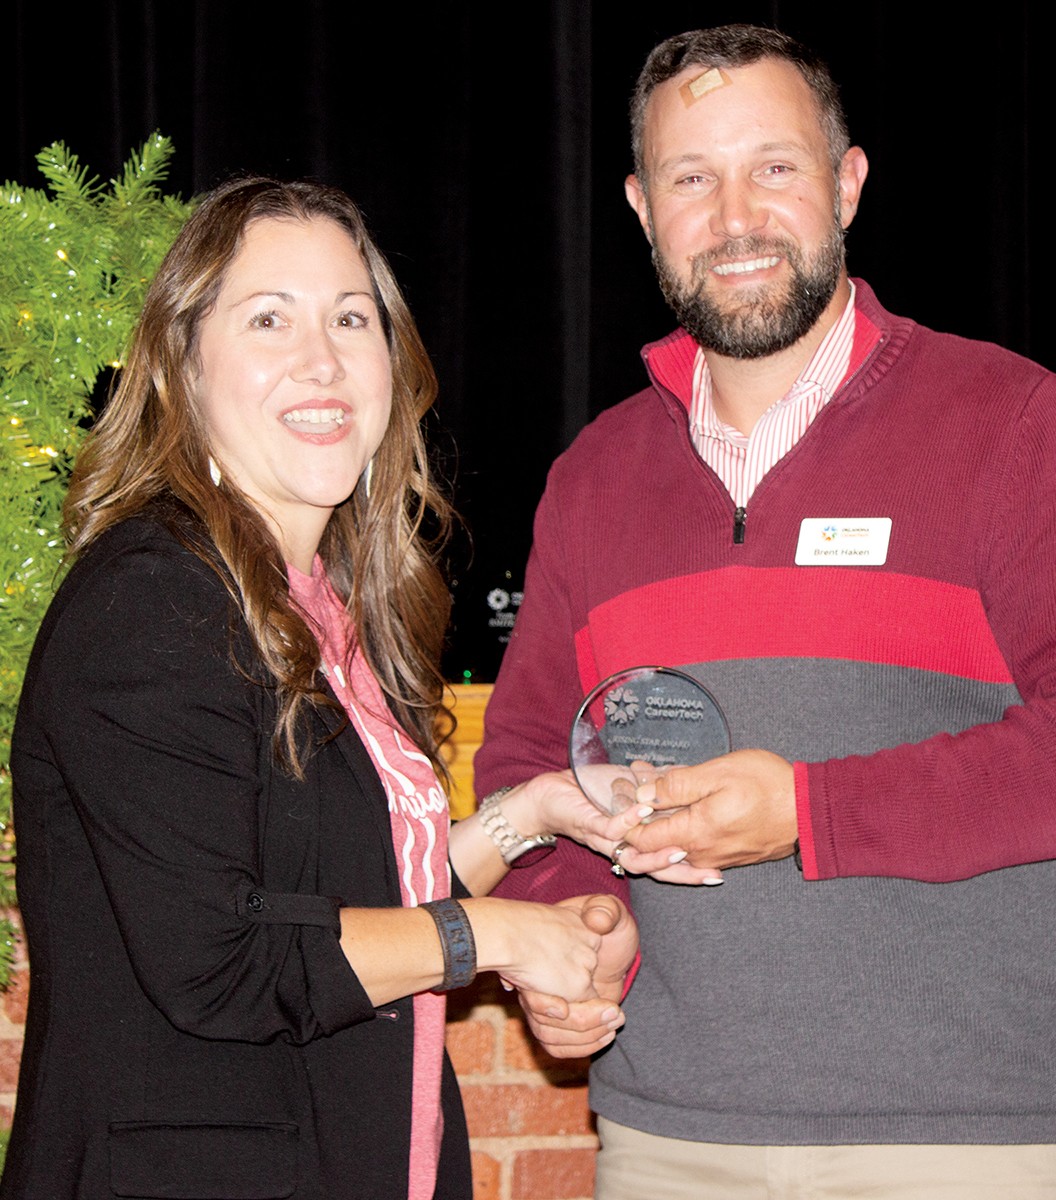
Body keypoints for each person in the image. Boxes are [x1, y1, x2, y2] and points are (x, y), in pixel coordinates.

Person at [475, 24, 1056, 1200]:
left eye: (775, 167)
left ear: (848, 183)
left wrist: (811, 811)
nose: (736, 216)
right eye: (691, 179)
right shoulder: (593, 477)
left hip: (973, 1141)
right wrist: (576, 924)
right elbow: (525, 758)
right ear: (640, 208)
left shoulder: (1017, 423)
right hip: (668, 1140)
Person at [0, 177, 645, 1200]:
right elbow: (222, 959)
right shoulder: (151, 600)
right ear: (182, 366)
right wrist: (502, 935)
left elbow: (357, 909)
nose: (323, 359)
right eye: (269, 319)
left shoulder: (319, 605)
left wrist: (529, 820)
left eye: (352, 317)